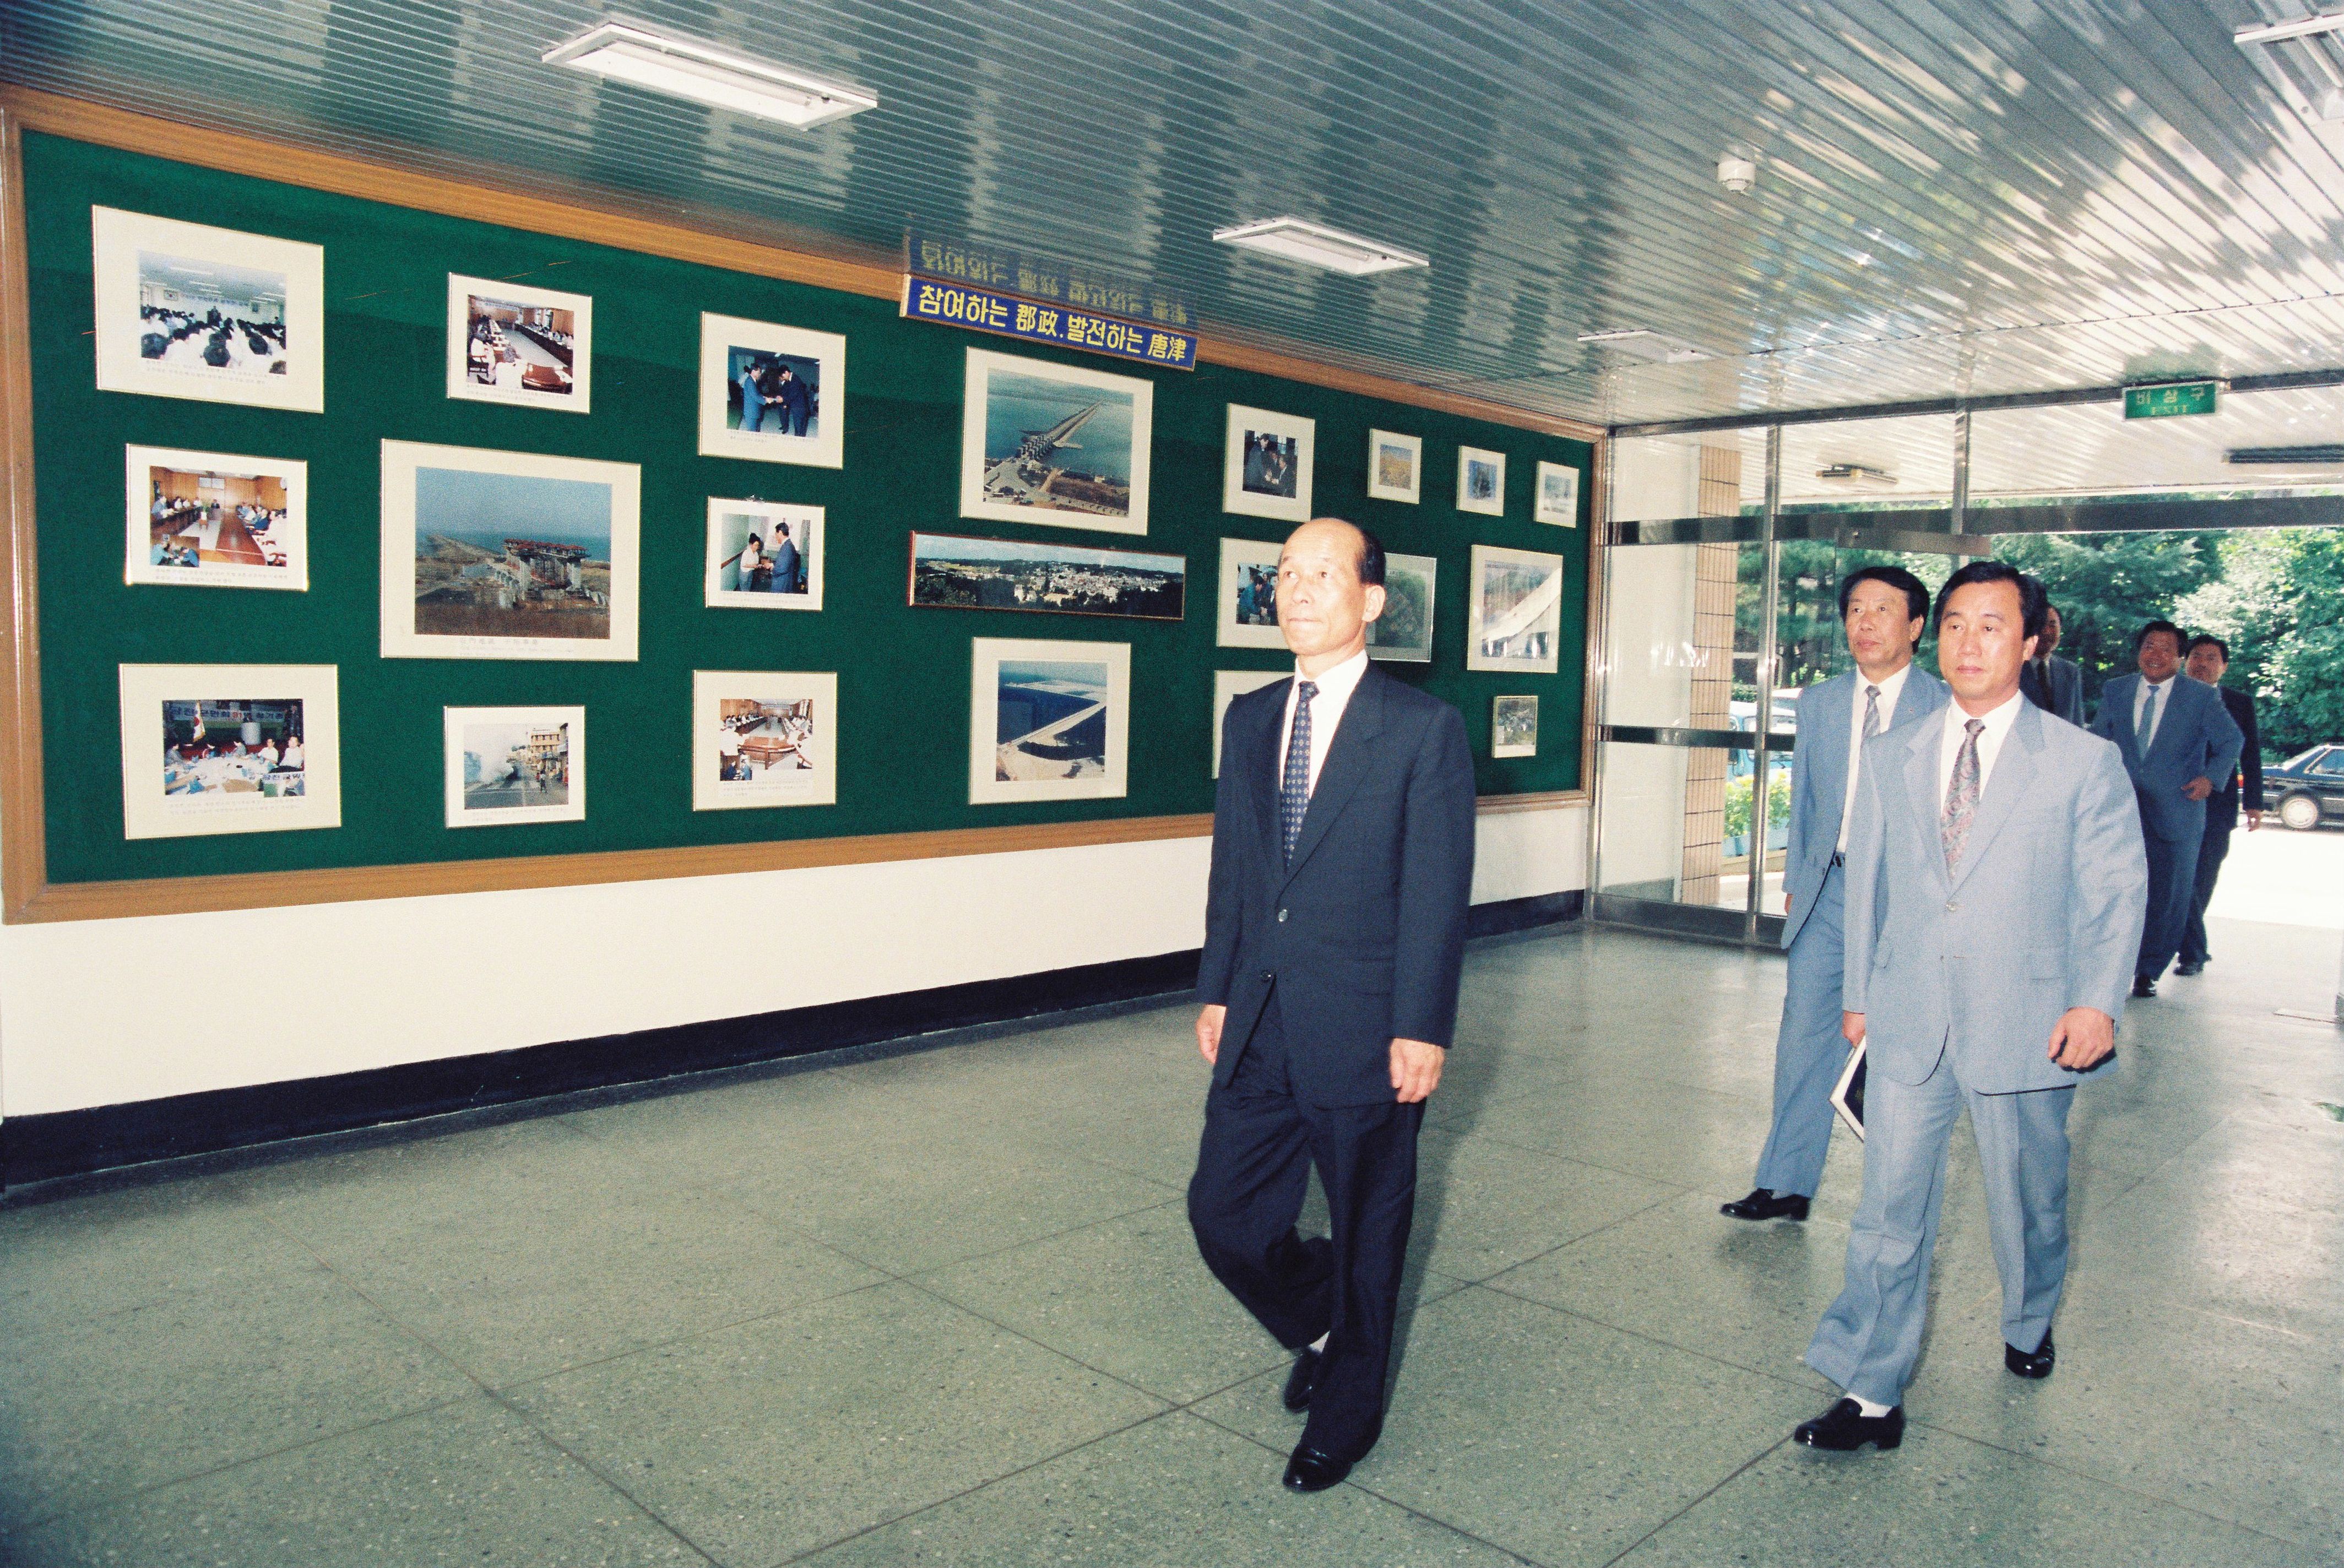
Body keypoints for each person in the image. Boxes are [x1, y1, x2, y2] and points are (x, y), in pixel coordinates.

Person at [1794, 561, 2146, 1453]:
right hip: (1910, 1011)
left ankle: (2028, 1316)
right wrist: (1860, 994)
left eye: (1991, 624)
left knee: (2028, 1201)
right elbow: (1872, 881)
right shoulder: (1896, 752)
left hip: (2028, 1020)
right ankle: (1871, 1388)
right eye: (1954, 622)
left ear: (2030, 641)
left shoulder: (2082, 760)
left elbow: (2114, 890)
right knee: (1886, 1209)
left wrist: (2096, 1003)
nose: (1968, 641)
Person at [1187, 516, 1475, 1494]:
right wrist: (1218, 987)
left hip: (1368, 1024)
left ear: (1372, 600)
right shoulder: (1250, 717)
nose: (1298, 589)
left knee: (1366, 1233)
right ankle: (1319, 1322)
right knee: (1224, 1214)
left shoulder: (1421, 728)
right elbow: (1236, 870)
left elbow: (1437, 889)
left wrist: (1422, 1024)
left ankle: (1346, 1415)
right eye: (1284, 573)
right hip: (1261, 1015)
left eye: (1322, 572)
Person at [1723, 567, 1949, 1224]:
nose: (1864, 623)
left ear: (1914, 627)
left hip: (1905, 899)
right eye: (1854, 609)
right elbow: (1806, 800)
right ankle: (1784, 1184)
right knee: (1803, 1037)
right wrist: (1796, 882)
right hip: (1828, 891)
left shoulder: (1942, 705)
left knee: (1900, 1047)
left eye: (1882, 610)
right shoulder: (1820, 702)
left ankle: (1896, 1198)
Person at [2089, 620, 2242, 997]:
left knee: (2168, 895)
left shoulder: (2200, 697)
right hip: (2120, 808)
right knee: (2114, 888)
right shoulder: (2117, 689)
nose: (2155, 655)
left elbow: (2231, 740)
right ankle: (2111, 963)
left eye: (2165, 649)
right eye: (2149, 646)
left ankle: (2149, 970)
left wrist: (2210, 778)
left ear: (2179, 657)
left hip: (2178, 810)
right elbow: (2098, 740)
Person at [2176, 634, 2264, 976]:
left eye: (2212, 658)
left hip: (2220, 804)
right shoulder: (2172, 696)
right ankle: (2193, 953)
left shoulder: (2238, 703)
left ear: (2224, 667)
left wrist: (2254, 803)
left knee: (2203, 877)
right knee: (2178, 877)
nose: (2202, 663)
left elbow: (2250, 754)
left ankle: (2191, 947)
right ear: (2185, 661)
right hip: (2177, 799)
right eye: (2196, 656)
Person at [2017, 603, 2085, 725]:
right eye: (2040, 625)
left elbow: (2077, 723)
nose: (2046, 631)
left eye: (2053, 625)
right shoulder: (2013, 669)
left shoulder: (2070, 671)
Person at [772, 362, 812, 437]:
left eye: (782, 376)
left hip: (800, 408)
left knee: (799, 429)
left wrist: (783, 399)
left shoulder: (795, 380)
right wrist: (781, 397)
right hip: (797, 407)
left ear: (787, 373)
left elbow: (793, 395)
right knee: (798, 427)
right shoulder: (790, 380)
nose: (783, 379)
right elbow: (788, 392)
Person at [769, 521, 802, 594]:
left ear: (780, 533)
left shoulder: (787, 547)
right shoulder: (788, 545)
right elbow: (784, 563)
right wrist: (773, 564)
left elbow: (782, 569)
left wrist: (772, 569)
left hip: (781, 583)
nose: (776, 537)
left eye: (776, 534)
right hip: (785, 580)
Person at [737, 357, 768, 432]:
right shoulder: (750, 382)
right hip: (751, 412)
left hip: (754, 410)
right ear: (754, 371)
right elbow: (756, 396)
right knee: (752, 432)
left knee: (757, 430)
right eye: (759, 372)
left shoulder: (753, 381)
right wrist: (766, 400)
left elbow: (756, 393)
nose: (760, 374)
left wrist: (763, 397)